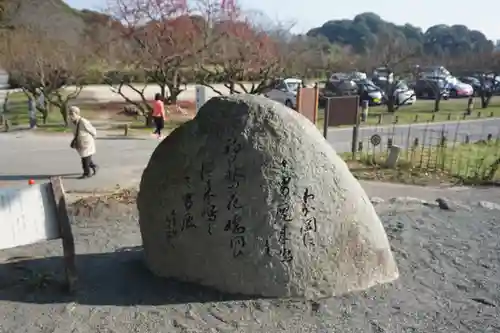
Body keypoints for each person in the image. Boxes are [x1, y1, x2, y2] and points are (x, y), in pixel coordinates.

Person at [68, 106, 98, 179]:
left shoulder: (83, 121)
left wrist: (94, 136)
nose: (71, 115)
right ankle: (94, 167)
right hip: (80, 142)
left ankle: (87, 173)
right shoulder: (71, 122)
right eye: (70, 113)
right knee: (85, 157)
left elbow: (92, 130)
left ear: (77, 114)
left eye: (72, 113)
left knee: (84, 159)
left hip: (87, 142)